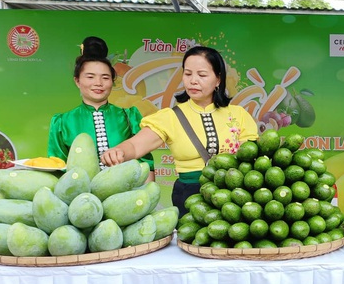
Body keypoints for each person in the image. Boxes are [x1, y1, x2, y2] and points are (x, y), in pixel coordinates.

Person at [100, 46, 258, 216]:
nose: (193, 81)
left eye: (202, 75)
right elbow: (136, 145)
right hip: (189, 196)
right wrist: (119, 151)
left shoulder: (238, 115)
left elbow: (249, 156)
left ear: (218, 79)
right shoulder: (170, 117)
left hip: (233, 195)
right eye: (188, 74)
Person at [47, 36, 154, 177]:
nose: (98, 83)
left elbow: (145, 164)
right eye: (90, 77)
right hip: (79, 196)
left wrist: (147, 196)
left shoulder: (129, 116)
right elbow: (57, 168)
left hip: (124, 194)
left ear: (112, 81)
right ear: (77, 81)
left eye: (105, 77)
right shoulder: (62, 122)